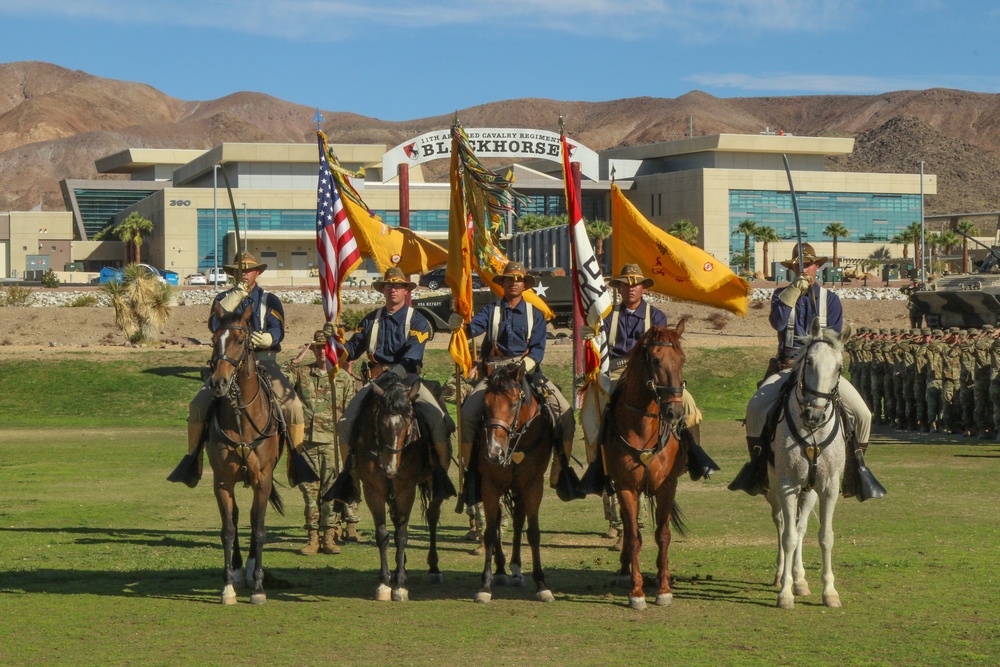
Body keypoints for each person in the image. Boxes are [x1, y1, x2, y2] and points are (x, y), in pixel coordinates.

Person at [735, 243, 877, 500]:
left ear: (817, 268)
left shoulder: (830, 300)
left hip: (820, 374)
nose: (805, 270)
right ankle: (757, 468)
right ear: (792, 270)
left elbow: (833, 341)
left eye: (809, 265)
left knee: (863, 414)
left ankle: (857, 472)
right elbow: (778, 322)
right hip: (787, 368)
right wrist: (792, 293)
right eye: (800, 266)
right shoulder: (780, 295)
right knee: (755, 409)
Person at [170, 252, 304, 486]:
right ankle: (193, 460)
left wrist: (265, 339)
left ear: (257, 273)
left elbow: (278, 330)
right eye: (239, 271)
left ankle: (297, 462)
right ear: (233, 274)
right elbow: (214, 324)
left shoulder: (270, 300)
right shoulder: (223, 299)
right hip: (229, 365)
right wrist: (237, 295)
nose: (244, 274)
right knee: (198, 405)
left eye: (249, 270)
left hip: (264, 361)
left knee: (293, 406)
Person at [593, 264, 705, 546]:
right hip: (618, 374)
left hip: (653, 375)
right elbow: (600, 347)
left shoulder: (656, 316)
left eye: (636, 284)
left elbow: (664, 350)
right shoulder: (608, 317)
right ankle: (599, 466)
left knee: (688, 406)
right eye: (625, 284)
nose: (631, 288)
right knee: (592, 414)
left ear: (643, 287)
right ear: (618, 288)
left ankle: (692, 458)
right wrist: (590, 339)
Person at [450, 261, 578, 500]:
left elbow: (538, 350)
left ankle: (561, 471)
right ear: (503, 284)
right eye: (509, 279)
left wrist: (522, 366)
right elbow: (471, 330)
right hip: (494, 375)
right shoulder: (491, 311)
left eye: (518, 279)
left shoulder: (535, 315)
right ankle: (470, 473)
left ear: (524, 285)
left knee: (565, 413)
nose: (514, 283)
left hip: (526, 371)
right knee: (467, 414)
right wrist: (459, 324)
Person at [335, 267, 455, 499]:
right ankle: (349, 475)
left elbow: (413, 354)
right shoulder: (370, 320)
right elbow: (351, 350)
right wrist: (336, 343)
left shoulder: (418, 320)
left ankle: (441, 473)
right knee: (345, 422)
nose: (393, 290)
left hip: (408, 382)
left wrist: (395, 373)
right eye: (389, 286)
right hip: (377, 384)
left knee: (438, 420)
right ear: (384, 290)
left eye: (398, 286)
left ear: (405, 291)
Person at [287, 330, 359, 555]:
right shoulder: (301, 373)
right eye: (317, 347)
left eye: (325, 347)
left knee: (330, 492)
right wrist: (294, 362)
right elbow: (278, 383)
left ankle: (329, 537)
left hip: (332, 444)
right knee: (309, 493)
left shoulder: (344, 379)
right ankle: (312, 539)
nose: (321, 351)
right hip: (306, 443)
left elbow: (349, 414)